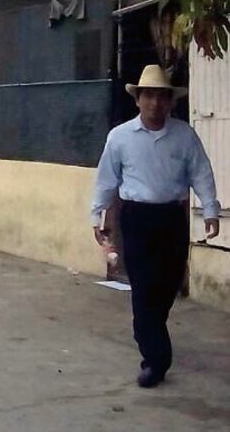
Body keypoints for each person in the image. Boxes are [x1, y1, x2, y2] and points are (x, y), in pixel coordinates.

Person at [91, 65, 220, 389]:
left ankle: (149, 331)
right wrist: (98, 219)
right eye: (148, 96)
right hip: (136, 219)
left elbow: (201, 173)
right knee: (145, 289)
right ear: (138, 100)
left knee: (167, 287)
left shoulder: (184, 136)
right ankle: (155, 359)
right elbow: (107, 180)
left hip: (171, 220)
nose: (155, 104)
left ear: (169, 102)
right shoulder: (119, 138)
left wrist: (210, 211)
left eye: (162, 97)